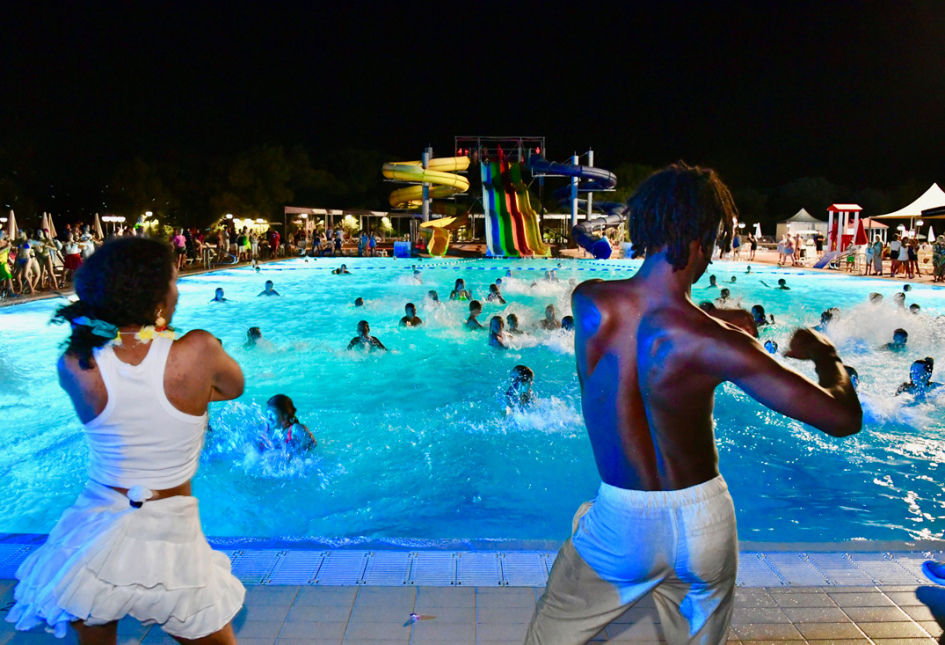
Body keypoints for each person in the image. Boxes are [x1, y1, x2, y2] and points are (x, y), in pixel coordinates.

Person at [525, 162, 861, 645]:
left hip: (623, 522)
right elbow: (842, 417)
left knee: (550, 634)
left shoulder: (590, 302)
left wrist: (716, 318)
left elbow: (651, 316)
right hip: (705, 522)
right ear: (703, 239)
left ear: (644, 226)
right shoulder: (718, 343)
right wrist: (825, 354)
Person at [7, 237, 245, 643]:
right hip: (171, 531)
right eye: (173, 280)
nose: (177, 289)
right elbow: (232, 387)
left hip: (95, 527)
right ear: (156, 293)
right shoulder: (198, 351)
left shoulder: (76, 363)